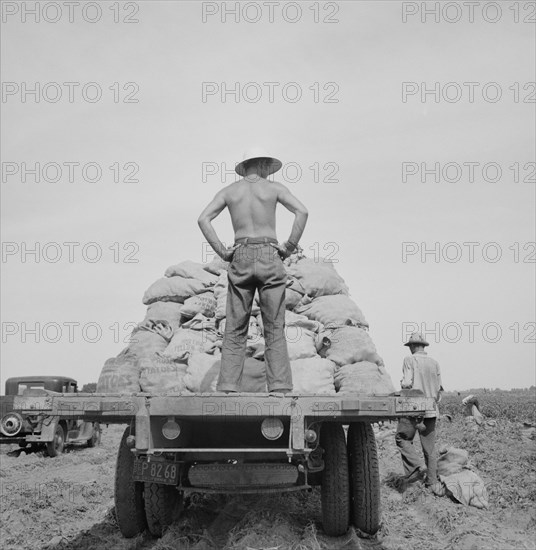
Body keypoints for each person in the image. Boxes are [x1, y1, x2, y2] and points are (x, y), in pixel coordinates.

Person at [197, 147, 308, 393]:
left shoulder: (229, 192)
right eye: (269, 166)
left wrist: (223, 252)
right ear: (262, 164)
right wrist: (288, 247)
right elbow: (302, 211)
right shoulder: (274, 188)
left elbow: (203, 218)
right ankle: (279, 387)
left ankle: (227, 386)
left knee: (235, 326)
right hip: (270, 253)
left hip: (241, 254)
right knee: (273, 326)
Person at [395, 332, 445, 495]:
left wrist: (402, 383)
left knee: (402, 438)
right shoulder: (435, 363)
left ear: (413, 346)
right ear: (423, 346)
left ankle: (416, 467)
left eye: (410, 347)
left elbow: (408, 384)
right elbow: (439, 390)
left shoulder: (410, 360)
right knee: (429, 449)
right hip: (430, 409)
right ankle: (431, 482)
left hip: (412, 408)